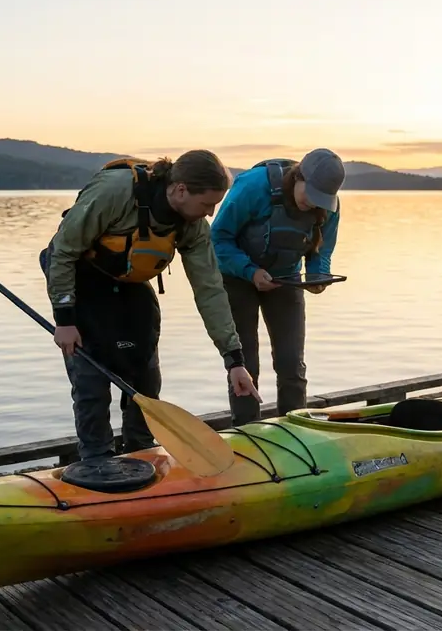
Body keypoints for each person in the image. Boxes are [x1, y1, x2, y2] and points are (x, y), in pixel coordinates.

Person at [39, 149, 261, 461]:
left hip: (130, 282)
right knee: (91, 380)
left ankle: (141, 451)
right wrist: (64, 319)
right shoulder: (114, 193)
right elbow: (63, 252)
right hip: (80, 278)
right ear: (180, 189)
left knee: (145, 374)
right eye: (207, 204)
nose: (211, 213)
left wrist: (234, 359)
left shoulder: (192, 224)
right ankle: (96, 458)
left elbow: (209, 289)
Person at [209, 148, 345, 426]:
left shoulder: (329, 206)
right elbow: (218, 238)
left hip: (287, 280)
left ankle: (297, 430)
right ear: (299, 177)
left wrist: (318, 275)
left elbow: (323, 249)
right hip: (237, 279)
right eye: (311, 194)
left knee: (291, 364)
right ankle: (248, 432)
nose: (313, 203)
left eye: (322, 199)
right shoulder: (253, 187)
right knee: (246, 364)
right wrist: (250, 271)